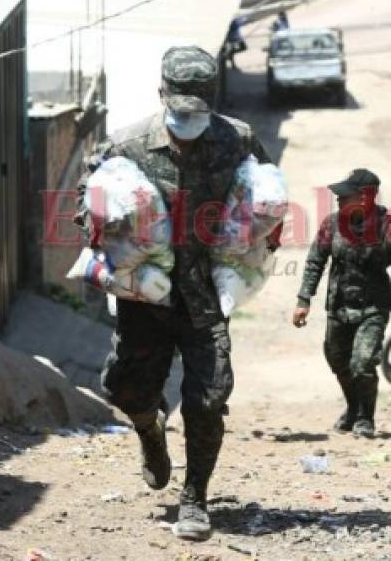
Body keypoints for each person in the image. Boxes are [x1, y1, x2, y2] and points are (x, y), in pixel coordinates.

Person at [75, 46, 277, 541]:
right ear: (160, 93)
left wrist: (264, 233)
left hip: (207, 292)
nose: (189, 117)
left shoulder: (239, 141)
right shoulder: (125, 146)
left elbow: (263, 198)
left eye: (199, 107)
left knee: (208, 397)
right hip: (146, 296)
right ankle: (149, 428)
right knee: (126, 387)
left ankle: (195, 500)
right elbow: (86, 205)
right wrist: (106, 227)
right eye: (180, 105)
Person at [292, 169, 391, 438]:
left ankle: (365, 418)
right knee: (337, 360)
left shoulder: (388, 230)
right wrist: (304, 299)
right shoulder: (332, 225)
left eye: (345, 195)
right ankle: (352, 408)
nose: (338, 200)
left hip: (373, 308)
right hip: (338, 306)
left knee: (362, 363)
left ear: (364, 198)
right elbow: (315, 261)